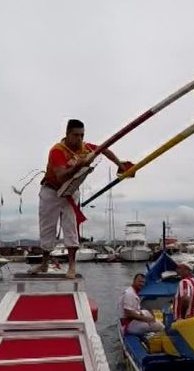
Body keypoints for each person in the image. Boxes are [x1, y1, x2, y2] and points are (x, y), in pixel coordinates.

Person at [33, 119, 133, 278]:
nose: (79, 139)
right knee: (47, 227)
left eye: (82, 135)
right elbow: (61, 176)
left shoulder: (85, 148)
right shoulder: (57, 151)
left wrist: (119, 163)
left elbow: (104, 149)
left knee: (71, 228)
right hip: (51, 191)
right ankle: (44, 264)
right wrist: (78, 166)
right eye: (75, 135)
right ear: (67, 134)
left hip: (70, 192)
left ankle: (72, 266)